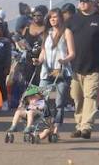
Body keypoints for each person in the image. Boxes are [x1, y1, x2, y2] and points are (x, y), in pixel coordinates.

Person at [66, 0, 99, 139]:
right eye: (80, 0)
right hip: (76, 66)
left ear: (93, 2)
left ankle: (86, 127)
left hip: (94, 66)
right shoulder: (73, 20)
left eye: (85, 1)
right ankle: (79, 125)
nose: (82, 3)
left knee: (91, 96)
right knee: (77, 97)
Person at [35, 8, 74, 137]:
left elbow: (72, 53)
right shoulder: (47, 33)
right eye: (51, 17)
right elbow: (43, 52)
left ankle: (55, 129)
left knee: (59, 103)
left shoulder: (66, 32)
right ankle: (48, 126)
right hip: (47, 70)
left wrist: (65, 60)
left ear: (61, 18)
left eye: (55, 17)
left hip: (61, 71)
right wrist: (38, 61)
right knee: (41, 99)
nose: (52, 19)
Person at [20, 8, 46, 86]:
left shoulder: (47, 29)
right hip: (29, 59)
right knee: (29, 80)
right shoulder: (27, 28)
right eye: (34, 15)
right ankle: (30, 97)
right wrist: (23, 45)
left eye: (39, 15)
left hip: (42, 59)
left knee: (40, 80)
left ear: (43, 16)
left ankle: (40, 97)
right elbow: (22, 40)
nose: (36, 17)